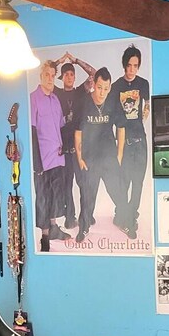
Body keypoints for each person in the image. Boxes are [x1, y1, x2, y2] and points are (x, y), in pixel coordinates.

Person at [74, 67, 127, 240]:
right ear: (93, 85)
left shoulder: (113, 102)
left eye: (106, 88)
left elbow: (121, 128)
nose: (102, 92)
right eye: (99, 87)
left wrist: (119, 155)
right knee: (87, 195)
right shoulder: (83, 102)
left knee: (118, 191)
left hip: (109, 155)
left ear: (110, 87)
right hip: (90, 157)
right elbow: (78, 132)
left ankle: (125, 222)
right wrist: (80, 158)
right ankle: (84, 227)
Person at [109, 45, 150, 238]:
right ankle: (122, 215)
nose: (132, 69)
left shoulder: (143, 84)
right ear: (124, 65)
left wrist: (146, 112)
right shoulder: (116, 86)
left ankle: (131, 216)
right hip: (124, 140)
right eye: (129, 65)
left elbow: (147, 105)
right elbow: (112, 114)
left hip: (140, 138)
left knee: (138, 182)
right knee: (123, 181)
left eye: (135, 65)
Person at [30, 61, 71, 253]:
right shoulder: (33, 98)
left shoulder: (55, 99)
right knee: (43, 197)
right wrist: (36, 161)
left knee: (56, 195)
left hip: (58, 155)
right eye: (46, 74)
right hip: (43, 159)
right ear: (40, 76)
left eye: (53, 75)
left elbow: (60, 124)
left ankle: (54, 228)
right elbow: (31, 129)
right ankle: (45, 236)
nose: (50, 78)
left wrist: (71, 118)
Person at [54, 53, 96, 231]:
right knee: (67, 186)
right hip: (64, 147)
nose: (69, 77)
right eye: (66, 74)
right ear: (61, 77)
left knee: (84, 183)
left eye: (71, 74)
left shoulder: (81, 91)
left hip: (80, 147)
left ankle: (86, 215)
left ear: (74, 76)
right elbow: (46, 73)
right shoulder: (56, 93)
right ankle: (70, 218)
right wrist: (59, 61)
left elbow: (94, 73)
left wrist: (76, 61)